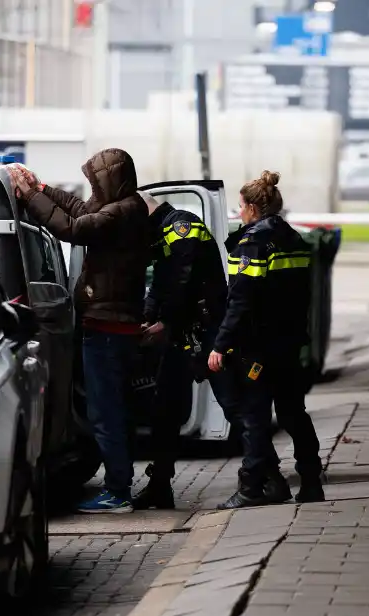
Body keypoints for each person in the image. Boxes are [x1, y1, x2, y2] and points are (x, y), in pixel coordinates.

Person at [10, 151, 150, 514]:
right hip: (107, 324)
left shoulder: (123, 212)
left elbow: (74, 228)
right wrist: (41, 188)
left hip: (109, 327)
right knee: (108, 409)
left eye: (95, 182)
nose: (91, 188)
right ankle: (119, 485)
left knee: (107, 412)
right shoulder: (120, 204)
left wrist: (30, 197)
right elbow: (79, 208)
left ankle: (118, 491)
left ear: (110, 180)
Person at [208, 170, 325, 509]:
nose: (238, 213)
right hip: (288, 344)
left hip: (257, 347)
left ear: (252, 209)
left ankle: (251, 487)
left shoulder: (253, 243)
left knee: (253, 417)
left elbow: (240, 301)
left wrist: (220, 345)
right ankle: (311, 482)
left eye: (240, 207)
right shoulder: (293, 239)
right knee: (293, 414)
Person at [133, 191, 232, 510]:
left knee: (235, 404)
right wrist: (146, 318)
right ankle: (160, 485)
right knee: (165, 411)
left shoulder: (182, 227)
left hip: (206, 333)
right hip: (184, 335)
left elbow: (182, 282)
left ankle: (264, 474)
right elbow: (161, 285)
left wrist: (164, 322)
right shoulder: (162, 234)